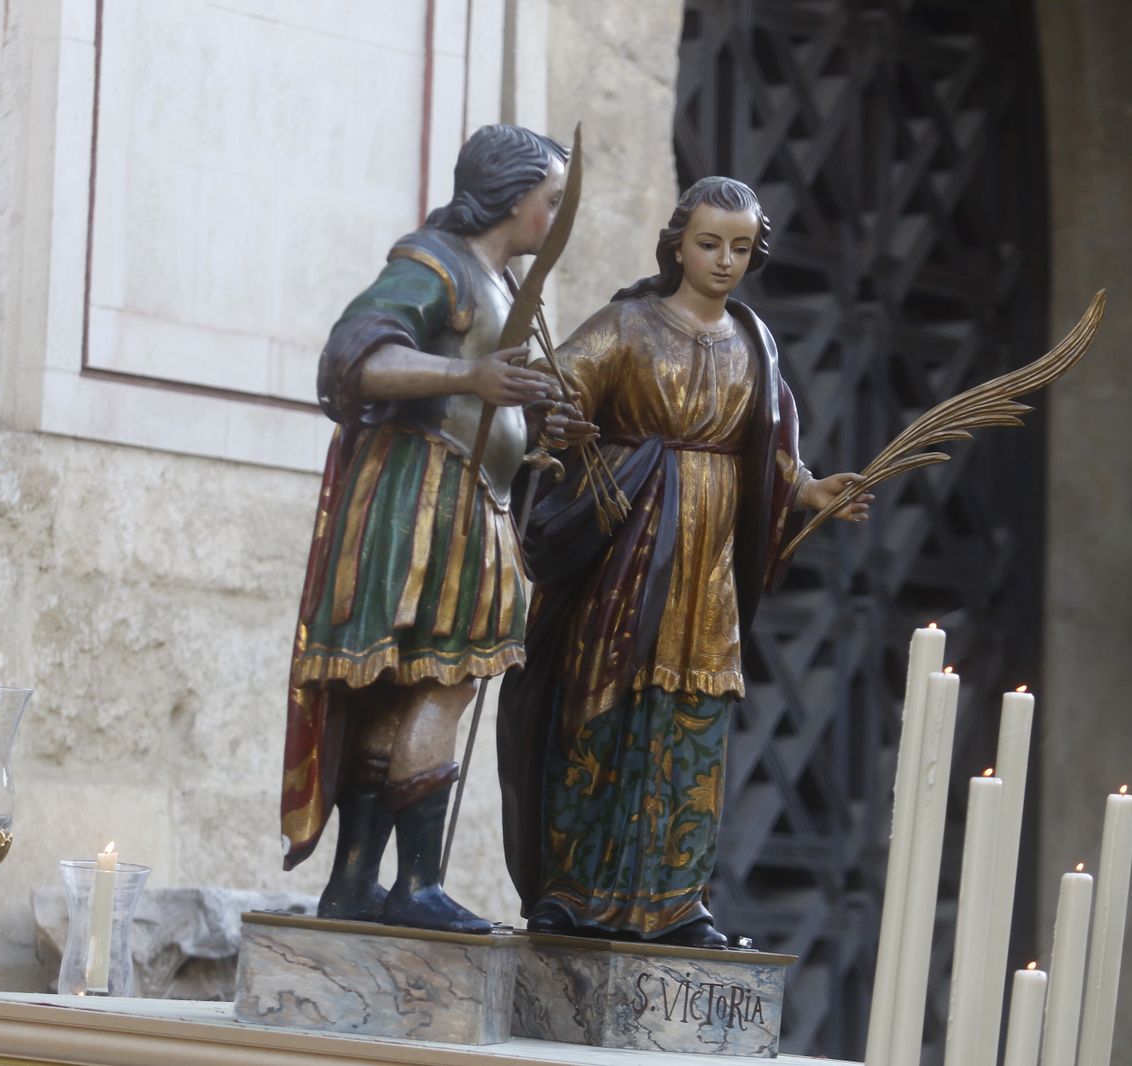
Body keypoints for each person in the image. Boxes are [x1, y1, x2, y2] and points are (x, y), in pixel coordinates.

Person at [497, 176, 872, 949]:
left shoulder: (753, 342)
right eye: (709, 244)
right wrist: (558, 418)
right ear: (676, 245)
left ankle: (674, 903)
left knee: (690, 725)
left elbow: (765, 452)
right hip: (625, 555)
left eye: (741, 247)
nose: (725, 260)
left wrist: (806, 491)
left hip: (708, 572)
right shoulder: (629, 325)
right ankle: (571, 893)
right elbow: (552, 391)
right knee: (599, 712)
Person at [280, 124, 591, 932]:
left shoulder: (500, 282)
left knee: (401, 692)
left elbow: (493, 404)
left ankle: (356, 884)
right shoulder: (436, 264)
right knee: (442, 681)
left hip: (461, 491)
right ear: (513, 197)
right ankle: (415, 884)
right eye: (552, 201)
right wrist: (473, 375)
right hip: (429, 493)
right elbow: (352, 360)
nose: (557, 218)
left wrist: (543, 432)